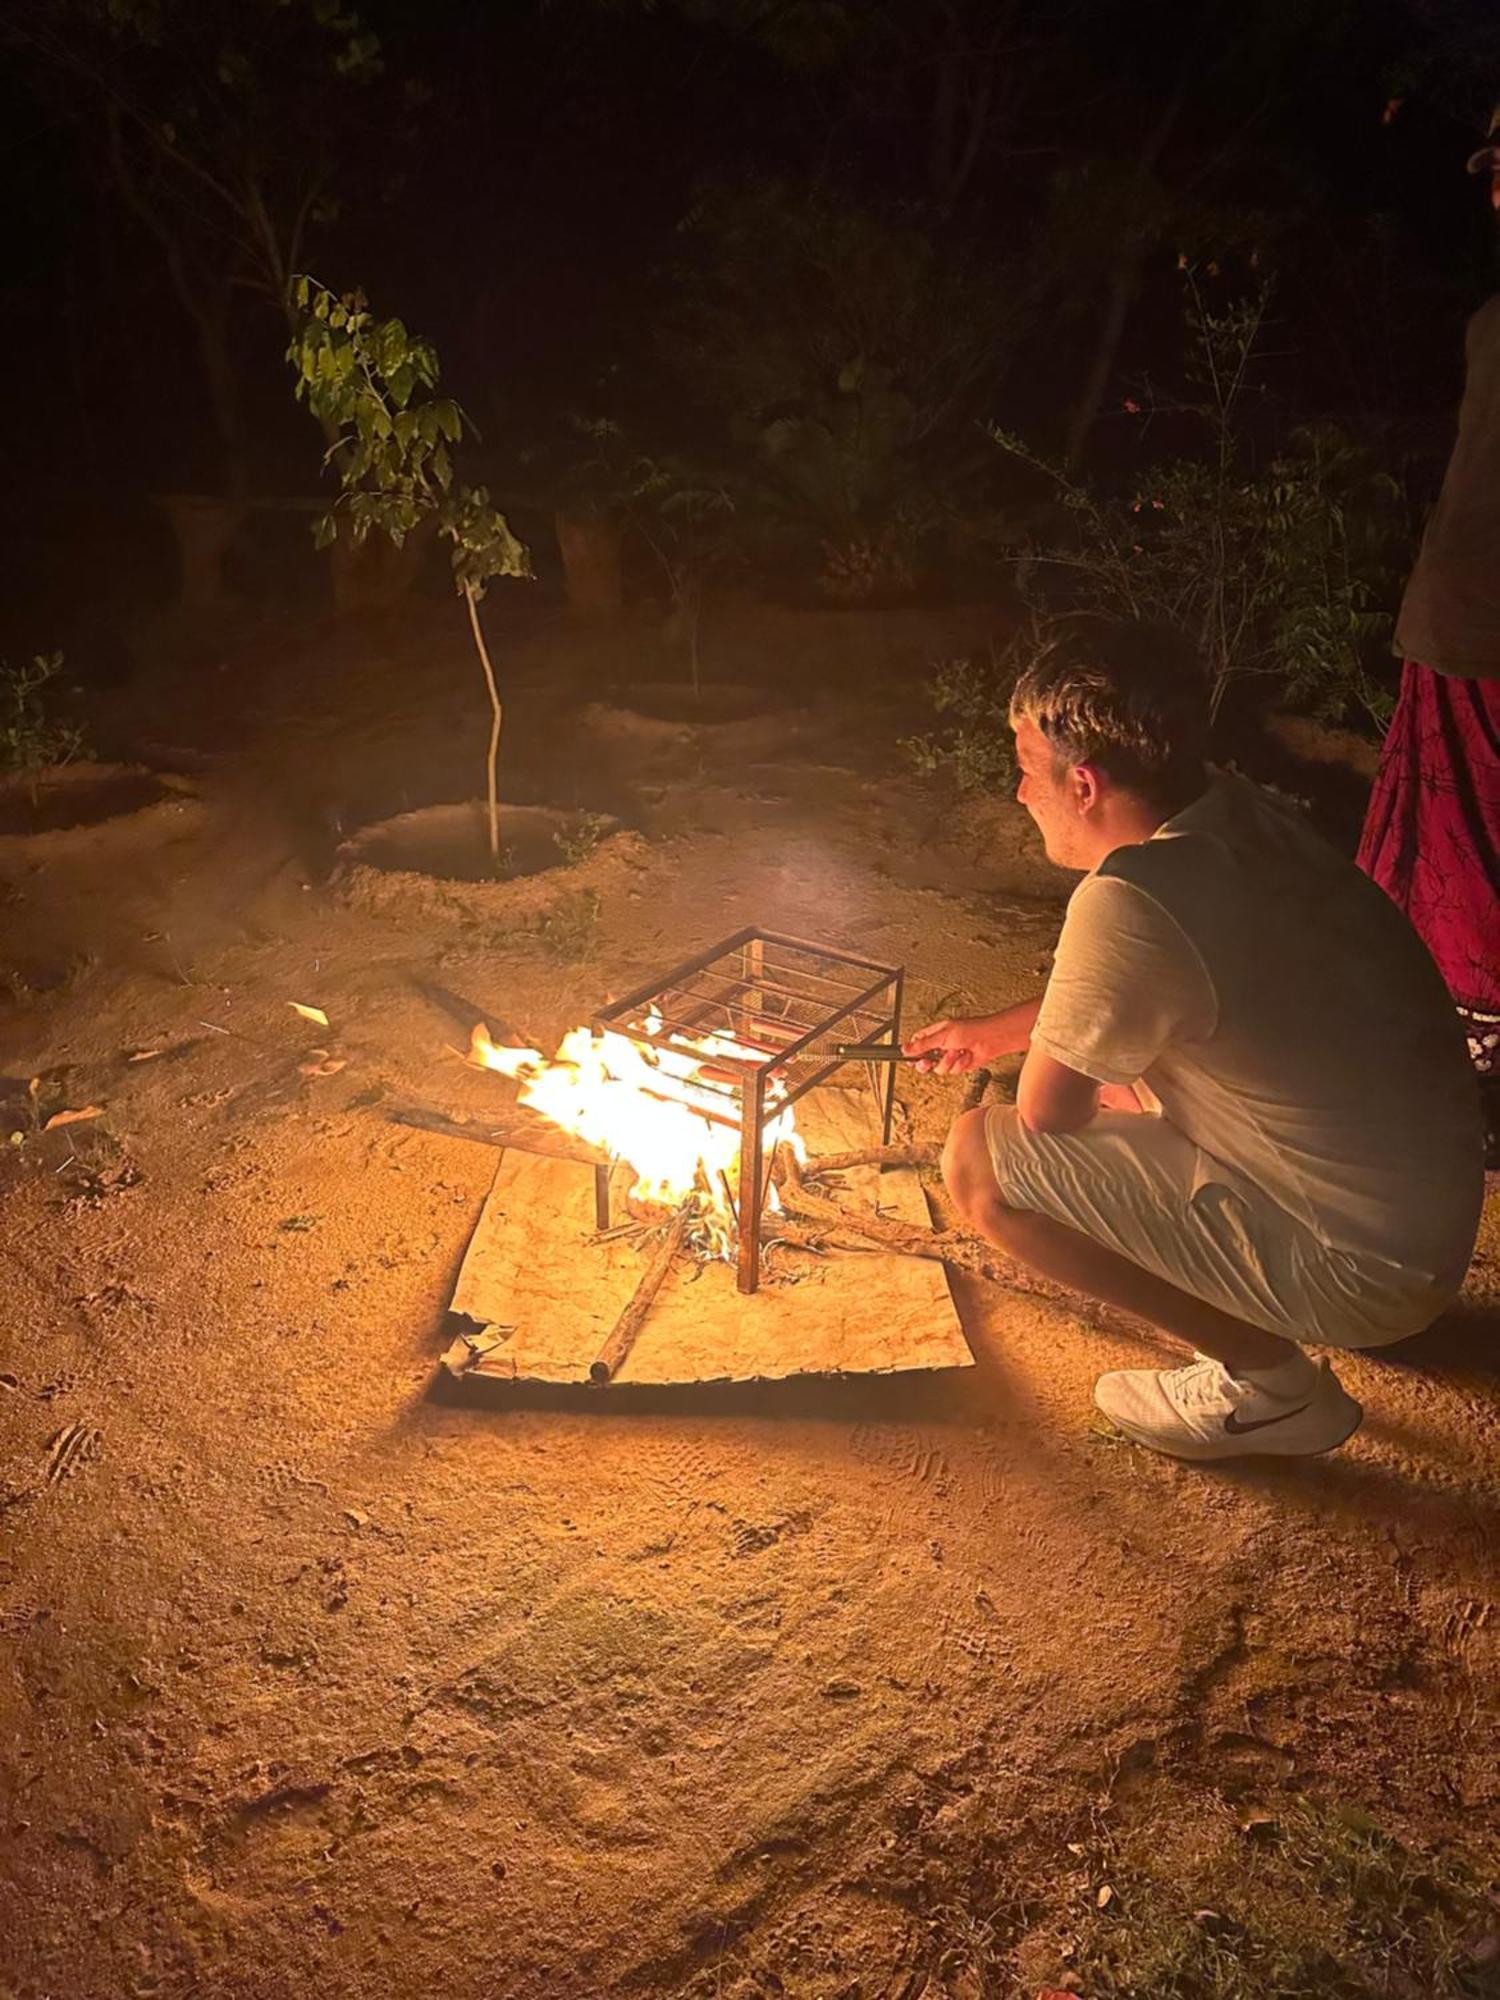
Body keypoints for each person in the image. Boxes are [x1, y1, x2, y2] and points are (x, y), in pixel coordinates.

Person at [905, 623, 1485, 1462]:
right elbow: (1155, 982)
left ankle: (1273, 1389)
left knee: (981, 1161)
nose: (1018, 795)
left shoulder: (1132, 899)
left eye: (1027, 773)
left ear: (1083, 785)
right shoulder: (1233, 816)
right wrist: (993, 1033)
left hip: (1361, 1278)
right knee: (1138, 1075)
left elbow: (1049, 1113)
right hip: (1412, 1235)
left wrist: (1079, 1075)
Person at [1357, 107, 1500, 1158]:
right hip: (1459, 617)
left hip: (1475, 627)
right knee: (1452, 864)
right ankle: (1454, 1083)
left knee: (1471, 865)